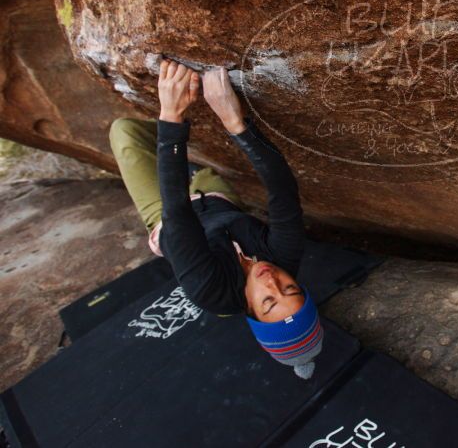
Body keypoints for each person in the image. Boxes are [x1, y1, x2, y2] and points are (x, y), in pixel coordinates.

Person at [109, 59, 322, 379]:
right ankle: (186, 158)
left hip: (170, 217)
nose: (272, 280)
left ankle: (175, 153)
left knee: (123, 132)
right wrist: (234, 120)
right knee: (202, 169)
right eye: (289, 288)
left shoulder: (210, 290)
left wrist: (172, 115)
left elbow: (177, 211)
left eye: (268, 300)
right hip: (219, 200)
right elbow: (283, 189)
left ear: (250, 310)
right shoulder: (284, 259)